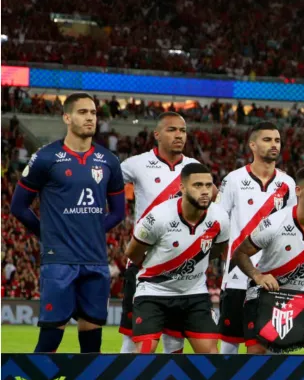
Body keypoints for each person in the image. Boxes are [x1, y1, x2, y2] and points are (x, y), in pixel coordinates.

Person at [10, 92, 126, 353]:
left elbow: (118, 212)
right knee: (51, 337)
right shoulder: (46, 158)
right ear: (66, 117)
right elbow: (18, 206)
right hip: (59, 260)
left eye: (93, 113)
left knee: (92, 341)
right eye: (83, 112)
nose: (90, 118)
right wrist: (47, 234)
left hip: (95, 260)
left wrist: (94, 231)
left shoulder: (109, 161)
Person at [231, 165, 304, 354]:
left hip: (302, 295)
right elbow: (239, 254)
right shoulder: (274, 223)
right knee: (257, 353)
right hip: (264, 293)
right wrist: (258, 276)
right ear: (298, 191)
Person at [118, 112, 201, 354]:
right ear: (157, 134)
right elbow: (106, 182)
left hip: (180, 268)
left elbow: (209, 204)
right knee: (133, 338)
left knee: (175, 343)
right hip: (144, 264)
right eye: (172, 130)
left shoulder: (195, 169)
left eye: (182, 131)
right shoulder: (136, 164)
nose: (178, 135)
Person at [124, 163, 229, 353]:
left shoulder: (220, 217)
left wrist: (190, 263)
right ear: (182, 188)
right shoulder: (158, 217)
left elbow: (217, 249)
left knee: (211, 355)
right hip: (154, 292)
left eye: (208, 185)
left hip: (193, 294)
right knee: (144, 352)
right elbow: (133, 253)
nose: (205, 191)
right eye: (197, 185)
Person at [216, 121, 296, 354]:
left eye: (277, 140)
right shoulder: (233, 180)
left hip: (274, 275)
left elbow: (291, 227)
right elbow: (219, 223)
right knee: (230, 342)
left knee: (272, 343)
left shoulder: (287, 184)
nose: (274, 145)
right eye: (267, 139)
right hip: (237, 274)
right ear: (252, 144)